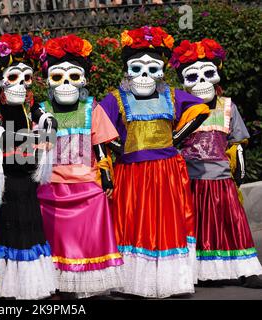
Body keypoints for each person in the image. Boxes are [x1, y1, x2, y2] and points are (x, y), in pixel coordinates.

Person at [99, 26, 210, 298]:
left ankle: (169, 282)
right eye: (137, 68)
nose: (145, 76)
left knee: (166, 224)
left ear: (162, 70)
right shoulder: (116, 98)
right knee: (133, 225)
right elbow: (98, 128)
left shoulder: (171, 95)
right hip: (131, 173)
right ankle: (133, 283)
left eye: (153, 68)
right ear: (127, 69)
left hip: (166, 171)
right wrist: (121, 148)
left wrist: (176, 137)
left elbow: (200, 109)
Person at [0, 33, 57, 299]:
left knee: (29, 229)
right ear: (0, 79)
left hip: (26, 177)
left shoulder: (28, 104)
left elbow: (47, 122)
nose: (21, 84)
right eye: (13, 78)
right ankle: (5, 286)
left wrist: (49, 123)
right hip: (3, 180)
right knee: (7, 229)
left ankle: (28, 285)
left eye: (26, 78)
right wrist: (36, 137)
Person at [37, 34, 123, 298]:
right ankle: (61, 284)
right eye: (58, 76)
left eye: (73, 77)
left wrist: (106, 177)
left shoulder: (92, 107)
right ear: (48, 80)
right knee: (58, 239)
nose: (65, 83)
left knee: (87, 238)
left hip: (87, 185)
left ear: (84, 79)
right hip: (53, 188)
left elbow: (100, 145)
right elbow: (37, 150)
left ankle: (88, 285)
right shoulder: (41, 110)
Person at [170, 38, 262, 287]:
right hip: (190, 181)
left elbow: (236, 142)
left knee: (232, 226)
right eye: (193, 76)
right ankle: (197, 271)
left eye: (208, 74)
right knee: (195, 228)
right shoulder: (179, 109)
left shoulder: (227, 106)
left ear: (217, 74)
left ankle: (245, 269)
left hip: (221, 180)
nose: (201, 83)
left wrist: (239, 167)